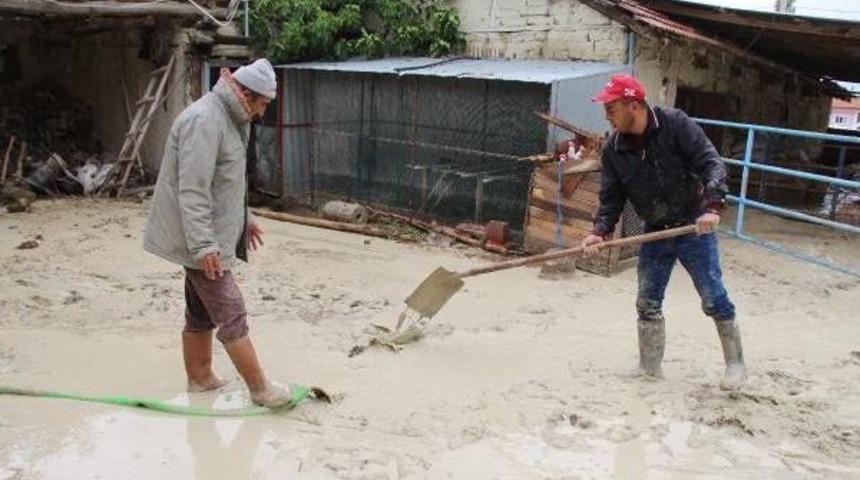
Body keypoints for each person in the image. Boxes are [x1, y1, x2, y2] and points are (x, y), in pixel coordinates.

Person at [580, 74, 747, 391]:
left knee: (713, 298)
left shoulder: (675, 125)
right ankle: (649, 367)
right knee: (647, 302)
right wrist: (599, 232)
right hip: (654, 232)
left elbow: (711, 163)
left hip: (693, 226)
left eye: (612, 108)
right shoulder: (614, 149)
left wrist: (713, 207)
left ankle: (736, 364)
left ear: (633, 104)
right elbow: (611, 198)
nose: (607, 115)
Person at [143, 58, 292, 407]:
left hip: (204, 234)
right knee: (230, 308)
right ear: (245, 93)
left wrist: (245, 218)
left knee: (200, 310)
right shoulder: (205, 120)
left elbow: (225, 183)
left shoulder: (230, 117)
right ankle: (260, 389)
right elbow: (193, 189)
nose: (260, 114)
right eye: (262, 105)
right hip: (198, 237)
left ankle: (200, 378)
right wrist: (204, 245)